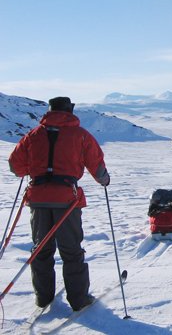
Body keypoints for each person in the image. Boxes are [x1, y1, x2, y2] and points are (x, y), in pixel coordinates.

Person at [8, 96, 110, 311]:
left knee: (41, 249)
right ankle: (79, 299)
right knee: (71, 250)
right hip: (67, 200)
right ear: (69, 111)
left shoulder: (34, 135)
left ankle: (43, 298)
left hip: (37, 198)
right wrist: (104, 179)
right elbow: (96, 163)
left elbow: (15, 164)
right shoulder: (80, 135)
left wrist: (30, 170)